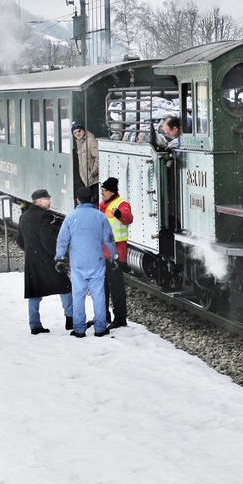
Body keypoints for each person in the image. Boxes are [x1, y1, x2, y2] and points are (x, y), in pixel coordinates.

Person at [54, 185, 114, 338]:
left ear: (77, 200)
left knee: (78, 295)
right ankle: (100, 328)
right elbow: (109, 239)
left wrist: (60, 257)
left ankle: (79, 329)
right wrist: (113, 257)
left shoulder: (71, 217)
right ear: (93, 199)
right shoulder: (100, 216)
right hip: (96, 261)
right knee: (98, 294)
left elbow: (62, 240)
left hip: (78, 263)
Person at [16, 188, 74, 334]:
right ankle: (70, 319)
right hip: (47, 261)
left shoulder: (24, 217)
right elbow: (47, 241)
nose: (50, 201)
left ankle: (34, 325)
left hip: (32, 262)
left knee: (34, 293)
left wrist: (31, 251)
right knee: (65, 287)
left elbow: (20, 241)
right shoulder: (43, 217)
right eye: (47, 199)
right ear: (40, 201)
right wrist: (57, 256)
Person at [98, 177, 134, 328]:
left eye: (104, 190)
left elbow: (128, 219)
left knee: (116, 288)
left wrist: (119, 214)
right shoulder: (102, 205)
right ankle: (104, 315)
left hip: (116, 253)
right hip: (102, 252)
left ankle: (120, 318)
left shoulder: (121, 204)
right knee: (103, 287)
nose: (101, 193)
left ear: (111, 191)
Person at [71, 122, 99, 188]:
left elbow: (98, 157)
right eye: (74, 133)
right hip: (87, 180)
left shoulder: (90, 141)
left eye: (79, 131)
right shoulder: (79, 142)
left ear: (83, 130)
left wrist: (92, 173)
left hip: (94, 180)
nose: (77, 134)